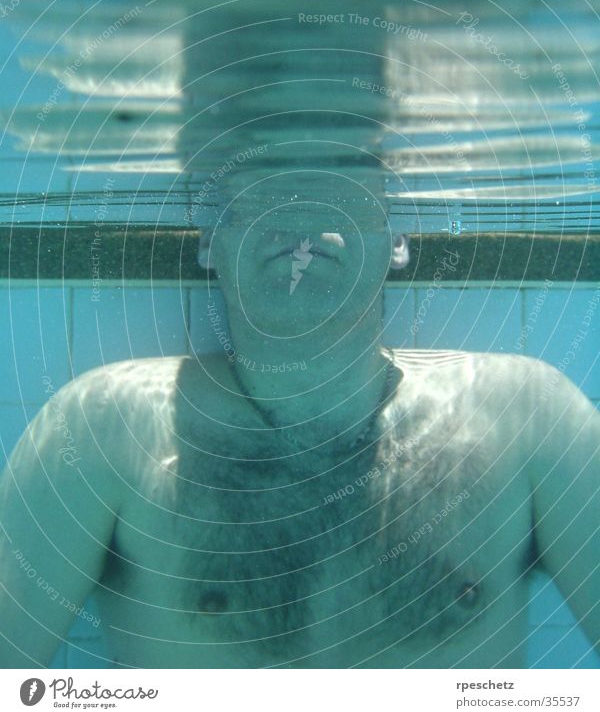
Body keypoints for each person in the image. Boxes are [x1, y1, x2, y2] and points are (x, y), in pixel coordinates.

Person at [1, 165, 599, 670]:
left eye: (341, 189)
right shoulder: (101, 426)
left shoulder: (527, 416)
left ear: (396, 240)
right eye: (263, 194)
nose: (301, 220)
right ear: (211, 241)